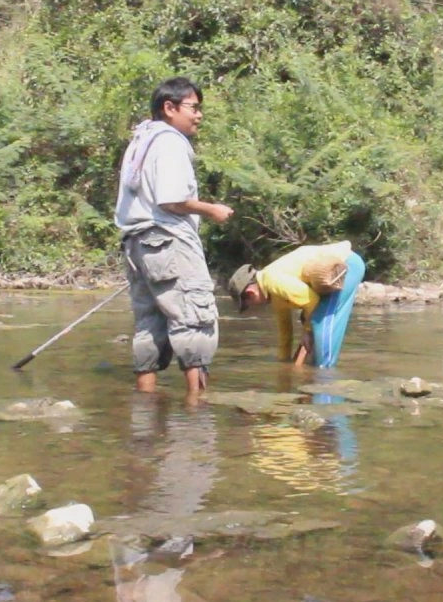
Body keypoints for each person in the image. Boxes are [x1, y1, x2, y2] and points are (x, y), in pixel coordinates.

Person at [115, 77, 233, 396]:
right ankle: (197, 411)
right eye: (193, 108)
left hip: (136, 243)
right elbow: (171, 199)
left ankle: (146, 408)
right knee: (194, 320)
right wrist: (212, 210)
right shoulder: (170, 142)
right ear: (170, 108)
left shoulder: (141, 140)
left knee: (149, 326)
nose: (199, 115)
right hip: (168, 240)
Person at [226, 241, 366, 367]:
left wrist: (307, 331)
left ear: (251, 293)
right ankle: (316, 373)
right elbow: (285, 334)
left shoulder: (272, 280)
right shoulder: (273, 296)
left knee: (321, 324)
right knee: (315, 330)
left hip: (342, 267)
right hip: (325, 279)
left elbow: (312, 301)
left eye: (247, 305)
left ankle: (325, 379)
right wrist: (284, 364)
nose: (253, 307)